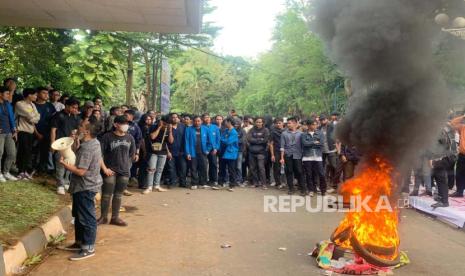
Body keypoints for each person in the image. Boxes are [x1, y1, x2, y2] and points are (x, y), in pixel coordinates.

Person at [59, 120, 102, 261]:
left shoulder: (87, 148)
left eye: (81, 126)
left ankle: (88, 247)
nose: (78, 127)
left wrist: (65, 165)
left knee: (87, 217)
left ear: (87, 131)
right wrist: (77, 142)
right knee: (78, 215)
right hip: (84, 186)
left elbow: (81, 171)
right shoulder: (92, 143)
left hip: (85, 186)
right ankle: (79, 243)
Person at [98, 115, 136, 226]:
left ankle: (115, 217)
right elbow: (99, 154)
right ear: (115, 124)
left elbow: (131, 155)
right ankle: (103, 217)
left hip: (124, 171)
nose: (126, 125)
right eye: (123, 123)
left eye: (127, 123)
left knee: (118, 195)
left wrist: (127, 166)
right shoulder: (107, 137)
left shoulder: (130, 138)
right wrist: (104, 168)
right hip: (109, 170)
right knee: (106, 195)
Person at [51, 98, 81, 195]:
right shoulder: (58, 115)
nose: (75, 109)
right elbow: (53, 130)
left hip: (70, 144)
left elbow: (76, 131)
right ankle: (60, 185)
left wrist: (76, 139)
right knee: (61, 165)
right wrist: (52, 144)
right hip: (60, 144)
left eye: (76, 108)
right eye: (73, 107)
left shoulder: (75, 117)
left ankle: (66, 182)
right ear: (67, 106)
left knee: (70, 163)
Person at [15, 88, 41, 180]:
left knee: (28, 152)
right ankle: (20, 171)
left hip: (31, 131)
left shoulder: (33, 105)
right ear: (29, 95)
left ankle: (25, 171)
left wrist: (34, 117)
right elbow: (31, 117)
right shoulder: (19, 104)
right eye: (34, 95)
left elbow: (38, 117)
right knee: (23, 150)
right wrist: (33, 117)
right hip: (22, 131)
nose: (36, 96)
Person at [430, 126, 457, 208]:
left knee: (441, 178)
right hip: (446, 157)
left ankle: (444, 201)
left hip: (444, 157)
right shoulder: (441, 130)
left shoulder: (439, 131)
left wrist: (434, 159)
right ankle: (441, 198)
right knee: (438, 177)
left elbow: (442, 146)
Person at [142, 116, 170, 194]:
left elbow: (169, 141)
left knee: (160, 169)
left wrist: (170, 131)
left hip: (163, 152)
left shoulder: (168, 130)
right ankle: (149, 187)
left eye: (167, 124)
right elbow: (152, 137)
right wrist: (159, 127)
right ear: (161, 122)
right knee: (151, 169)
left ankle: (157, 185)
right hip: (153, 152)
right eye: (164, 124)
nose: (166, 126)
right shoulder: (153, 127)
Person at [185, 116, 212, 189]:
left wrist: (208, 150)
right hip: (193, 152)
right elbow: (186, 142)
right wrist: (188, 153)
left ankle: (203, 183)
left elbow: (210, 141)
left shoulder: (206, 129)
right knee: (193, 168)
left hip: (203, 152)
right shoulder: (189, 129)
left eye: (198, 121)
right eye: (195, 121)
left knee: (203, 167)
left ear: (201, 121)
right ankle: (194, 183)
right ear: (193, 121)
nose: (197, 122)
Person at [280, 117, 305, 195]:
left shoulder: (301, 134)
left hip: (298, 155)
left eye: (289, 123)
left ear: (295, 123)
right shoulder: (284, 133)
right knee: (289, 172)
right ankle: (291, 188)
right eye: (287, 123)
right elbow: (282, 146)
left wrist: (303, 156)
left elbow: (303, 146)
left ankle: (303, 189)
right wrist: (282, 158)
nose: (288, 125)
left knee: (300, 172)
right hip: (288, 155)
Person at [34, 87, 56, 174]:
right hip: (33, 131)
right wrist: (36, 133)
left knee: (45, 152)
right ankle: (29, 168)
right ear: (38, 94)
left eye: (47, 93)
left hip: (46, 134)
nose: (46, 95)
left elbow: (53, 121)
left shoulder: (50, 106)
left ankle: (42, 169)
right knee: (32, 151)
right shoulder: (33, 105)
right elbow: (30, 121)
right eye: (44, 93)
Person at [301, 119, 326, 197]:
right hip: (307, 157)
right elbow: (305, 144)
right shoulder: (304, 134)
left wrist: (310, 143)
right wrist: (314, 142)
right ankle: (311, 190)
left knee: (321, 174)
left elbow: (321, 144)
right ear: (309, 125)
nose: (316, 126)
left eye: (316, 124)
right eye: (314, 124)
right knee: (309, 174)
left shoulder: (320, 133)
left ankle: (323, 190)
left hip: (317, 156)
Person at [0, 86, 18, 182]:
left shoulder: (8, 104)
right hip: (1, 133)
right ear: (0, 94)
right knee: (0, 153)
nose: (9, 95)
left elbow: (11, 118)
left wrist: (14, 130)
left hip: (9, 132)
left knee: (12, 153)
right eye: (7, 93)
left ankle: (6, 172)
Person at [247, 117, 270, 189]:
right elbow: (249, 139)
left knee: (261, 168)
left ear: (263, 123)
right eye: (257, 122)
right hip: (252, 152)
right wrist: (260, 139)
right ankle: (255, 183)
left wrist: (255, 140)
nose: (258, 123)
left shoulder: (266, 130)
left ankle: (264, 184)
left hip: (261, 152)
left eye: (260, 122)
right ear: (255, 122)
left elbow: (265, 140)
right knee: (253, 168)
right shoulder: (251, 130)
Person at [167, 113, 187, 188]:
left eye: (176, 117)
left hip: (181, 151)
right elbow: (169, 141)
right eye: (173, 117)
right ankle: (172, 182)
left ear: (178, 118)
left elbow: (186, 139)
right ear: (170, 118)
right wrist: (170, 130)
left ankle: (183, 182)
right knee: (171, 168)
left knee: (183, 168)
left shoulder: (183, 126)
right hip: (171, 151)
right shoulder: (168, 127)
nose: (174, 119)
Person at [219, 117, 239, 192]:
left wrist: (222, 139)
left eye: (226, 122)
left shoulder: (234, 132)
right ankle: (220, 183)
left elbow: (228, 142)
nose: (224, 123)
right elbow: (223, 138)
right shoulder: (226, 130)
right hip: (223, 152)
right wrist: (223, 139)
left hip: (231, 154)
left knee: (231, 170)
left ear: (229, 122)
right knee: (221, 169)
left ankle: (232, 185)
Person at [125, 109, 143, 194]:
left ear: (132, 116)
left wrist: (137, 153)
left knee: (127, 169)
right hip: (118, 151)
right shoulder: (120, 124)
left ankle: (124, 187)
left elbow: (138, 140)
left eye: (127, 115)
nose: (125, 117)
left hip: (130, 152)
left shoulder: (135, 126)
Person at [319, 114, 338, 193]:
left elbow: (337, 136)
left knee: (334, 166)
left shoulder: (332, 126)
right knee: (322, 168)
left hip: (331, 150)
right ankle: (323, 186)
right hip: (322, 151)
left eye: (324, 120)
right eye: (321, 120)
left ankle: (335, 185)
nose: (323, 121)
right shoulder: (319, 128)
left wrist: (337, 147)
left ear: (327, 119)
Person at [203, 113, 220, 188]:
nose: (207, 119)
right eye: (205, 117)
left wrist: (216, 148)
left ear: (210, 118)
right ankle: (204, 180)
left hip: (213, 149)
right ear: (203, 119)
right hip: (203, 149)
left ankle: (214, 180)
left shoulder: (215, 127)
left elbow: (218, 139)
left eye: (208, 117)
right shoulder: (201, 127)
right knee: (203, 165)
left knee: (213, 164)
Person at [450, 114, 465, 198]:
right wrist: (463, 117)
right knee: (459, 173)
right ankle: (459, 192)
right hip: (462, 155)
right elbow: (452, 123)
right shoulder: (462, 128)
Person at [270, 118, 285, 189]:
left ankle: (285, 182)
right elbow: (271, 144)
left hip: (285, 151)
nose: (278, 124)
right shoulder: (273, 132)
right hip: (276, 151)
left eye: (280, 123)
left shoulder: (286, 131)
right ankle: (278, 182)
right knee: (276, 167)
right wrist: (272, 154)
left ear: (282, 123)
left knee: (286, 167)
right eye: (277, 123)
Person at [234, 118, 247, 186]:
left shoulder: (242, 131)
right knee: (232, 166)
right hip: (232, 151)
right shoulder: (231, 130)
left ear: (240, 124)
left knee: (239, 167)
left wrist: (233, 141)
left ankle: (239, 180)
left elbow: (243, 140)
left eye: (237, 123)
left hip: (240, 151)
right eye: (235, 123)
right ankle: (233, 180)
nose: (236, 124)